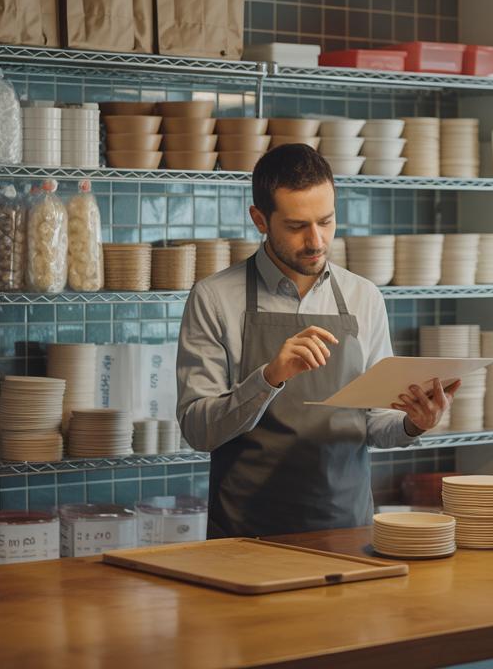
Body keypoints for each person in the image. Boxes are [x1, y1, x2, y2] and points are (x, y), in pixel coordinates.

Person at [177, 144, 458, 538]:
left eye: (326, 221)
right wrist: (269, 378)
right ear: (260, 219)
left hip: (347, 526)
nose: (316, 241)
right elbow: (197, 430)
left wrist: (413, 423)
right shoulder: (214, 298)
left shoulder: (364, 296)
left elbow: (375, 423)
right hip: (247, 533)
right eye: (296, 226)